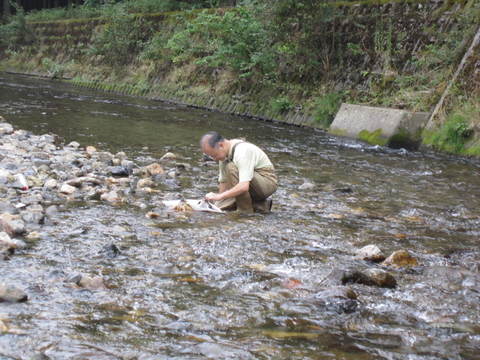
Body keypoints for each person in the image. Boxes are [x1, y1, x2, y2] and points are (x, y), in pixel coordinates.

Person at [200, 131, 277, 213]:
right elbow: (223, 182)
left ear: (221, 145)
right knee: (218, 207)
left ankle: (245, 212)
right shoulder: (224, 154)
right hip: (252, 182)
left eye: (214, 155)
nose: (214, 159)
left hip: (267, 182)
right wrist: (216, 201)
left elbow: (244, 187)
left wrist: (219, 196)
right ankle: (260, 205)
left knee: (231, 167)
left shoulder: (242, 152)